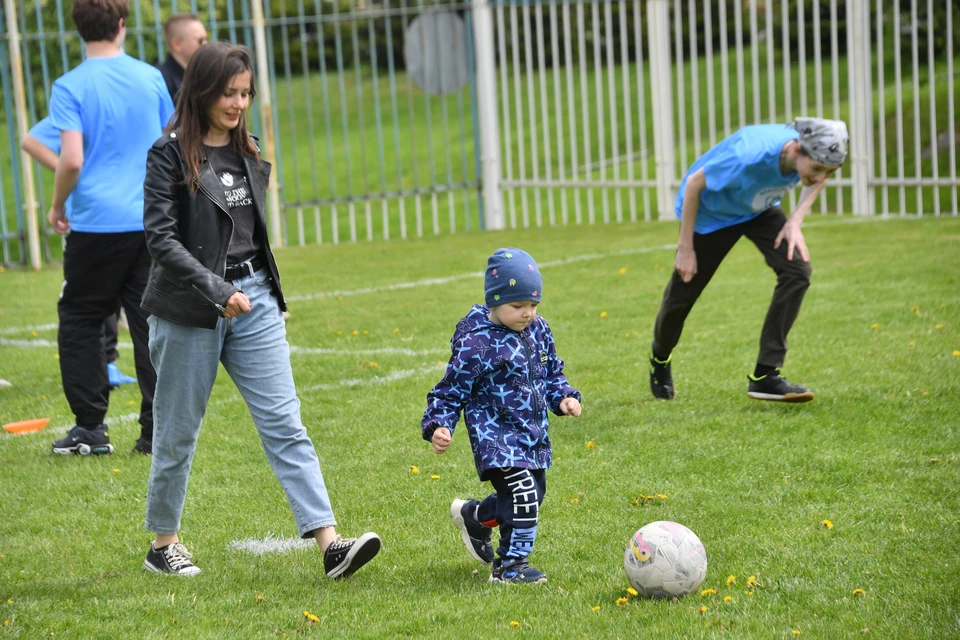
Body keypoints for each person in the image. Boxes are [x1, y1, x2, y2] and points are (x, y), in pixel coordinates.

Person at [140, 42, 381, 578]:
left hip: (256, 301)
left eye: (245, 93)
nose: (238, 102)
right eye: (228, 92)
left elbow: (250, 236)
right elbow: (161, 240)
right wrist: (216, 290)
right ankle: (164, 543)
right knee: (178, 431)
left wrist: (262, 292)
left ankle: (330, 544)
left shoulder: (246, 150)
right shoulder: (169, 153)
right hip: (190, 308)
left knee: (285, 422)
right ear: (201, 90)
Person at [46, 0, 173, 456]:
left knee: (80, 317)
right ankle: (156, 430)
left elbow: (72, 158)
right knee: (149, 322)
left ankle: (90, 429)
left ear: (80, 29)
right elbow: (170, 142)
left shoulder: (69, 85)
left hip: (96, 224)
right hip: (148, 219)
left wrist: (58, 205)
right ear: (121, 25)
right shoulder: (151, 77)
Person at [647, 117, 849, 403]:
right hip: (712, 216)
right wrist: (686, 247)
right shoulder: (748, 155)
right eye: (816, 168)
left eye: (827, 171)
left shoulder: (813, 158)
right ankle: (660, 360)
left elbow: (821, 175)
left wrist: (795, 220)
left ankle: (766, 376)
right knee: (682, 296)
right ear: (795, 150)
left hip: (757, 208)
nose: (819, 177)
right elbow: (694, 184)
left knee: (797, 270)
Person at [422, 248, 582, 585]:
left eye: (534, 305)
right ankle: (510, 568)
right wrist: (439, 425)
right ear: (495, 301)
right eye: (518, 306)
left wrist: (564, 397)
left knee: (529, 497)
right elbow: (451, 389)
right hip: (495, 437)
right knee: (522, 494)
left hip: (531, 433)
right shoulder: (476, 342)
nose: (528, 313)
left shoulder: (539, 330)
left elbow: (551, 374)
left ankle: (475, 517)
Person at [22, 118, 138, 390]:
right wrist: (73, 171)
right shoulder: (82, 99)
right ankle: (106, 365)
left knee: (98, 302)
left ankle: (105, 369)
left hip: (110, 218)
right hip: (103, 220)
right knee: (96, 302)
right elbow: (33, 142)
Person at [157, 13, 207, 104]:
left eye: (205, 39)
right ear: (176, 44)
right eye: (200, 40)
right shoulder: (161, 80)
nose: (205, 44)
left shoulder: (203, 74)